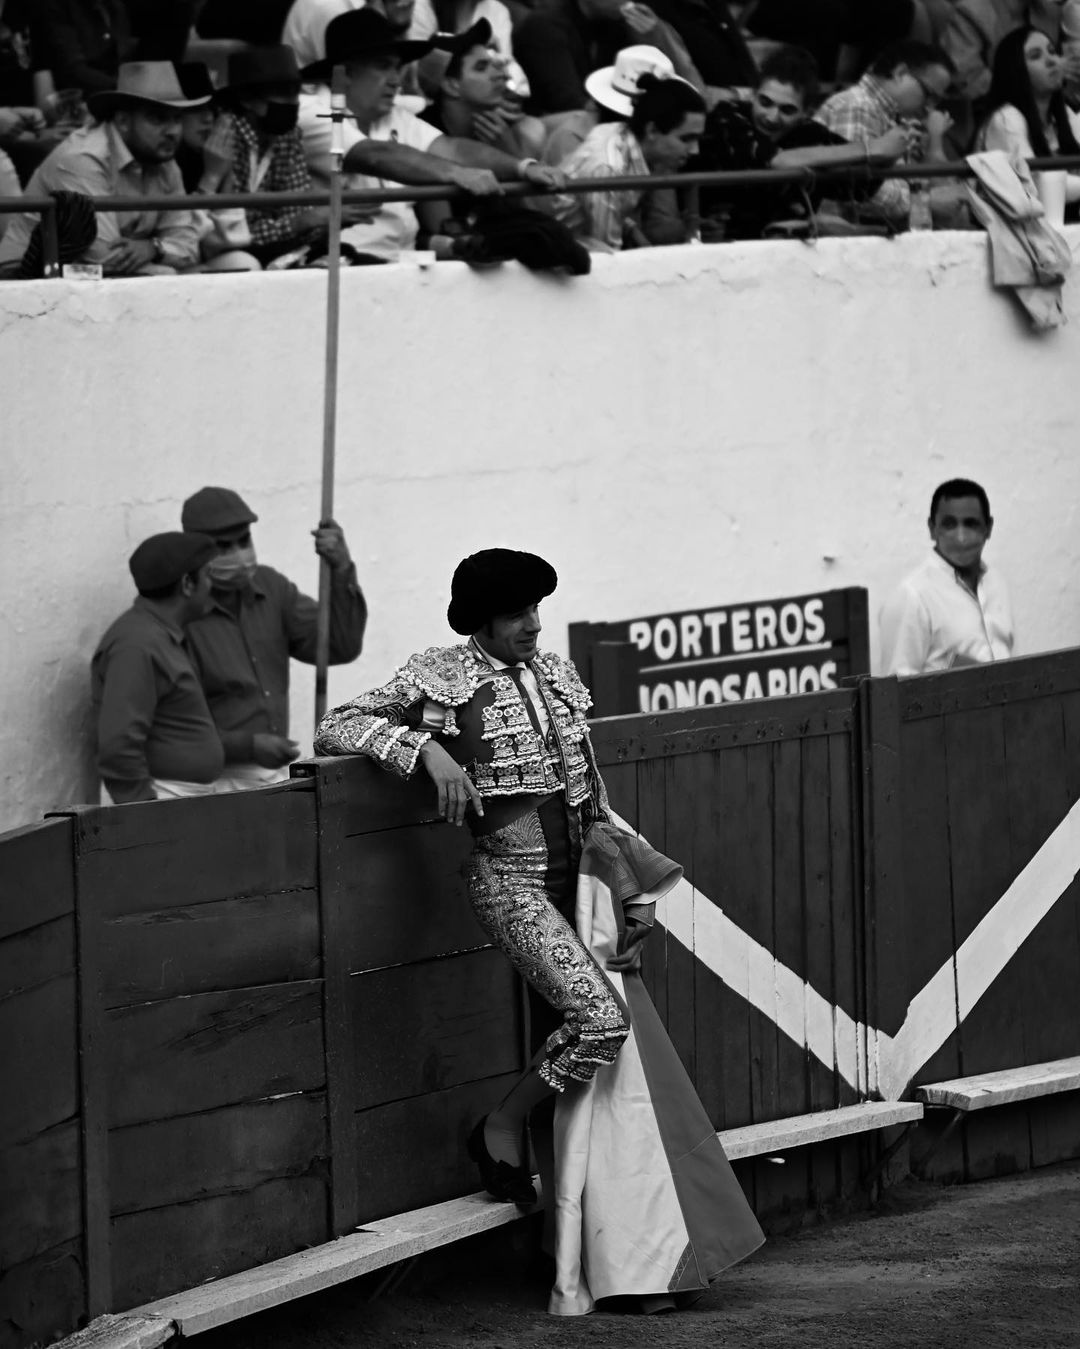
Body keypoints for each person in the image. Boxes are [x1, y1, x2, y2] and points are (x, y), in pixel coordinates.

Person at [314, 548, 764, 1313]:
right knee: (600, 1021)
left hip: (580, 883)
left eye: (535, 609)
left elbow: (592, 797)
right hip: (510, 882)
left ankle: (614, 1250)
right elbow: (336, 724)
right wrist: (427, 750)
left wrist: (629, 887)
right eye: (517, 612)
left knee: (611, 1056)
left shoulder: (555, 674)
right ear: (482, 619)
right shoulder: (440, 674)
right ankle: (502, 1121)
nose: (532, 624)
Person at [298, 9, 565, 263]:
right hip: (337, 268)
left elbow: (452, 149)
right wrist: (456, 173)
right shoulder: (312, 110)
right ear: (345, 73)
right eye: (383, 66)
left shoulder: (395, 115)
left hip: (405, 264)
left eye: (397, 68)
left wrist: (523, 167)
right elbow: (374, 156)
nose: (395, 80)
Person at [181, 486, 367, 791]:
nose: (238, 555)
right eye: (223, 547)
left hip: (268, 777)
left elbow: (338, 645)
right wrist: (249, 746)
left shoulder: (271, 588)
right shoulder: (184, 612)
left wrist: (341, 568)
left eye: (244, 541)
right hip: (206, 780)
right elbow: (177, 727)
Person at [0, 60, 206, 274]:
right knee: (167, 275)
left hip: (83, 274)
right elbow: (105, 259)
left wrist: (154, 248)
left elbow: (189, 248)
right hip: (28, 275)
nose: (173, 131)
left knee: (199, 272)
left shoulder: (163, 159)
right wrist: (162, 253)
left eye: (177, 119)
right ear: (123, 121)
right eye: (158, 119)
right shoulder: (83, 158)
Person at [694, 43, 910, 238]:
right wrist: (873, 148)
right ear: (753, 95)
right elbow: (777, 161)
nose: (772, 117)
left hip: (790, 253)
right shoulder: (728, 116)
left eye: (787, 110)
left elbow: (865, 186)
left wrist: (892, 152)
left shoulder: (812, 134)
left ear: (806, 113)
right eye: (765, 102)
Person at [91, 531, 224, 804]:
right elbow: (119, 746)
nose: (212, 585)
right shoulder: (136, 644)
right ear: (187, 583)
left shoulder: (160, 634)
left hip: (179, 799)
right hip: (159, 800)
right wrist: (144, 813)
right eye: (208, 575)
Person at [550, 69, 705, 249]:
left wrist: (632, 231)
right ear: (652, 131)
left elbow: (613, 209)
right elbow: (609, 254)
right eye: (686, 139)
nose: (695, 150)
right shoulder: (608, 168)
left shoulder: (616, 131)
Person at [879, 478, 1015, 675]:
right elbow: (897, 685)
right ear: (932, 529)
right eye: (949, 524)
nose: (961, 537)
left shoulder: (996, 583)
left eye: (971, 524)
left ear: (989, 528)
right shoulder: (913, 596)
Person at [814, 39, 956, 228]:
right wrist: (923, 202)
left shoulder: (889, 116)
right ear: (900, 73)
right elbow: (855, 192)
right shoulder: (857, 105)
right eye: (929, 94)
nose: (930, 107)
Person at [513, 0, 705, 116]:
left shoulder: (620, 25)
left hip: (607, 114)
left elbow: (689, 89)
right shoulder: (546, 25)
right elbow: (570, 102)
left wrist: (655, 38)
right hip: (557, 122)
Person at [975, 26, 1080, 220]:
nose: (1051, 60)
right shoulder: (1006, 118)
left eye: (1052, 51)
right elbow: (1037, 187)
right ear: (1015, 71)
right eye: (1035, 56)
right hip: (1016, 230)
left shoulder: (1063, 113)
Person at [418, 19, 546, 158]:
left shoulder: (510, 130)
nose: (502, 75)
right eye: (481, 68)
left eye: (494, 65)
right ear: (451, 86)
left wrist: (511, 152)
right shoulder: (421, 137)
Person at [30, 0, 135, 96]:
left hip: (120, 95)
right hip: (81, 99)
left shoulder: (117, 7)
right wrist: (124, 87)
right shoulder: (58, 7)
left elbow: (125, 58)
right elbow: (73, 71)